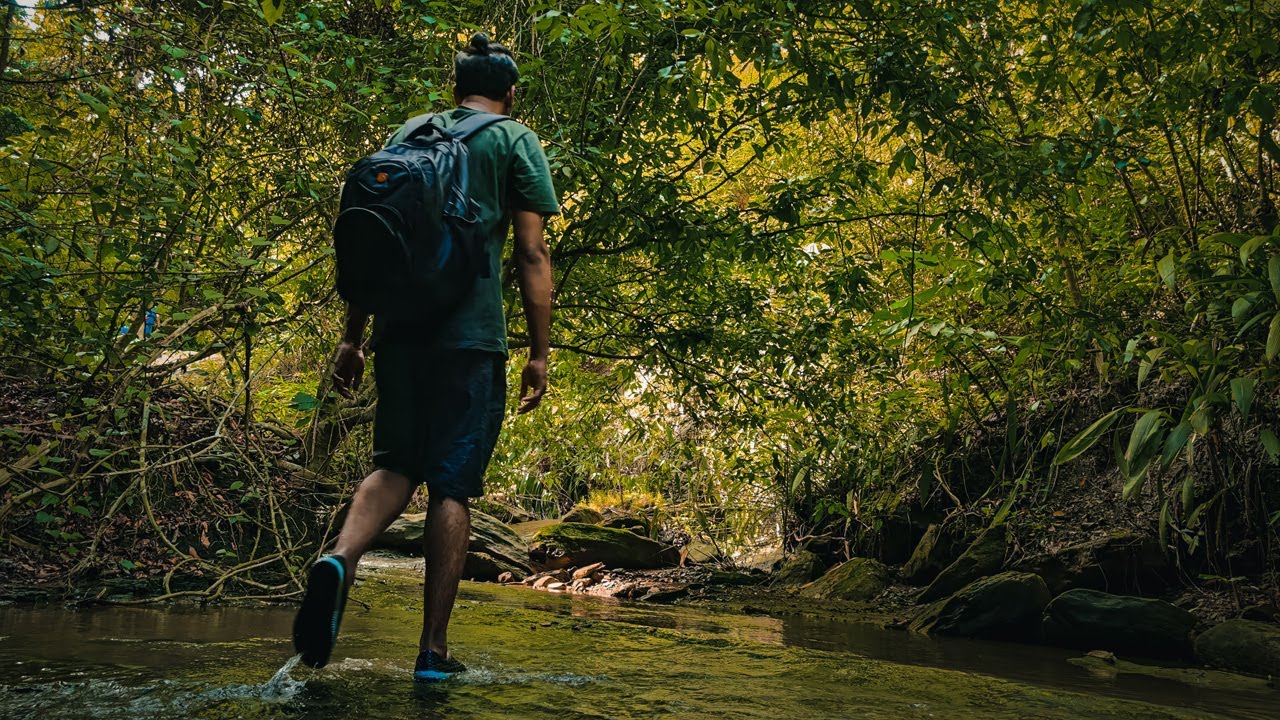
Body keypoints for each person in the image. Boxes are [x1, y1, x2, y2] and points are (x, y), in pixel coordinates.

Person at [292, 32, 558, 682]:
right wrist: (539, 354)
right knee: (453, 486)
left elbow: (373, 239)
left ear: (455, 88)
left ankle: (343, 556)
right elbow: (530, 254)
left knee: (394, 465)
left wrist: (354, 337)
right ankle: (433, 653)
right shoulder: (515, 140)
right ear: (510, 93)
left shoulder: (411, 131)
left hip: (398, 329)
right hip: (469, 340)